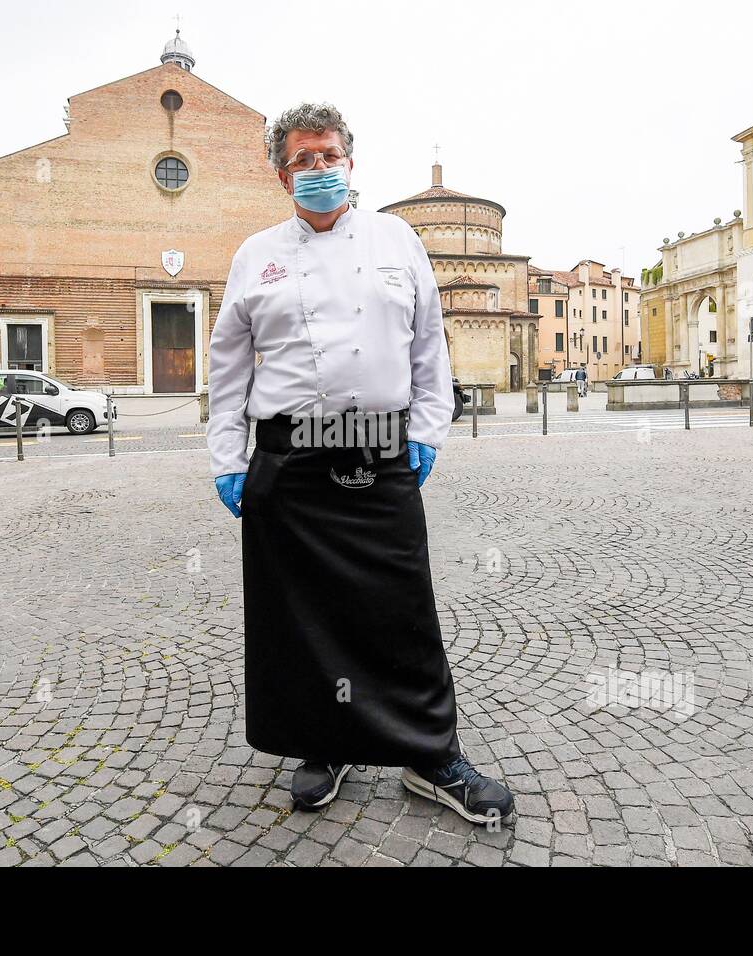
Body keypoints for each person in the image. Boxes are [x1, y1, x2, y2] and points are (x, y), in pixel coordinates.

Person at [206, 103, 514, 826]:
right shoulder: (256, 253)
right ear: (280, 171)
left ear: (352, 161)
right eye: (303, 159)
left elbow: (429, 344)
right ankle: (326, 740)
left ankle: (429, 754)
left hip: (380, 451)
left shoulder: (396, 238)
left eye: (330, 155)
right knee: (301, 614)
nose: (319, 169)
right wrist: (228, 458)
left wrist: (430, 431)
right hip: (290, 461)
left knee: (402, 609)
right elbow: (227, 367)